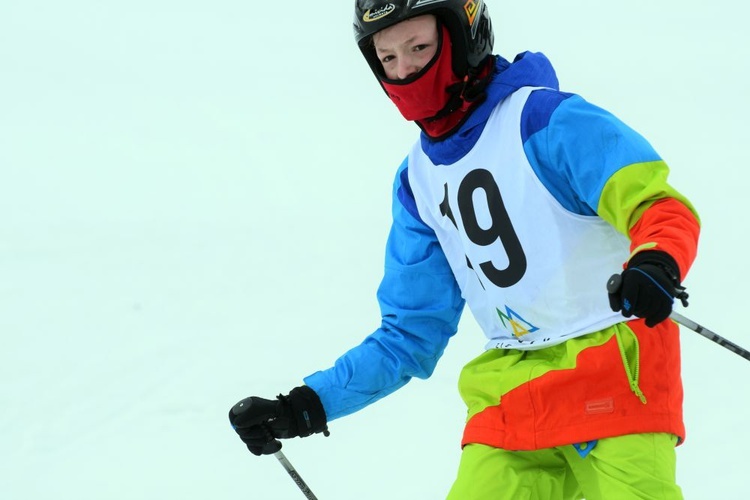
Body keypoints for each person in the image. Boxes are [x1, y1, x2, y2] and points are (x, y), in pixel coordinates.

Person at [229, 1, 700, 498]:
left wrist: (655, 260)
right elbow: (408, 334)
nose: (405, 70)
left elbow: (658, 206)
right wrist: (305, 405)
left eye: (419, 49)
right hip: (511, 399)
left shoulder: (546, 120)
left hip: (615, 376)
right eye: (387, 59)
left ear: (463, 37)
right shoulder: (419, 181)